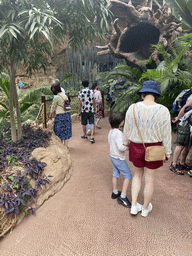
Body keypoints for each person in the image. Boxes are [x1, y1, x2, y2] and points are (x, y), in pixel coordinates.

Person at [123, 80, 172, 217]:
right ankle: (145, 208)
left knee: (137, 175)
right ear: (156, 95)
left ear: (142, 94)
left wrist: (125, 143)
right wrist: (167, 151)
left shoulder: (132, 108)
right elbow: (166, 134)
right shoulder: (163, 110)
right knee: (150, 178)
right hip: (155, 148)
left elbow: (127, 128)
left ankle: (133, 206)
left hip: (136, 145)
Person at [108, 112, 132, 207]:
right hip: (119, 158)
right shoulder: (118, 133)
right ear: (121, 122)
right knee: (128, 175)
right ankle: (123, 196)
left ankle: (115, 192)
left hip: (112, 156)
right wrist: (128, 147)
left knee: (115, 173)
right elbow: (121, 147)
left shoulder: (111, 131)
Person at [170, 93, 192, 175]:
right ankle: (174, 164)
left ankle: (182, 163)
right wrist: (178, 118)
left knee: (187, 145)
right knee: (180, 144)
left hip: (190, 125)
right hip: (184, 123)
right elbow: (184, 108)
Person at [49, 79, 72, 149]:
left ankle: (62, 145)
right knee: (66, 130)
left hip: (60, 115)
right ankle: (66, 146)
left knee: (59, 130)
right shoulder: (65, 96)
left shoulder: (56, 97)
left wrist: (50, 114)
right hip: (67, 114)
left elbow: (53, 107)